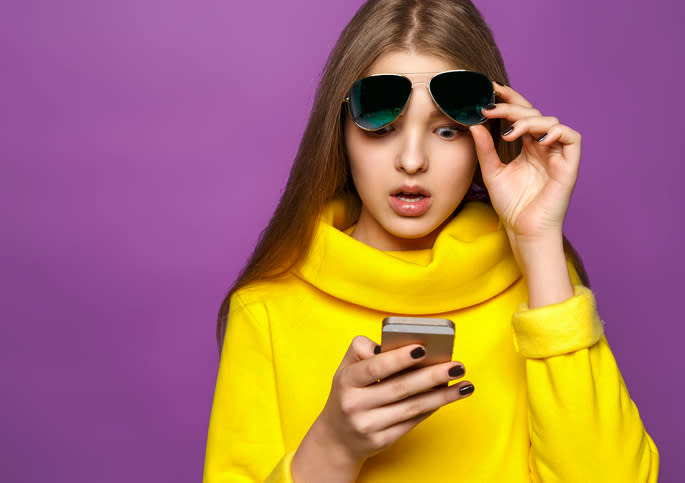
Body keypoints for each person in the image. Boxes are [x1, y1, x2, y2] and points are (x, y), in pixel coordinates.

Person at [203, 0, 659, 481]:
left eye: (446, 130)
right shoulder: (268, 310)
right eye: (383, 126)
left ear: (492, 134)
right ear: (340, 134)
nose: (413, 160)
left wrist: (540, 241)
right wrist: (333, 446)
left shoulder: (544, 287)